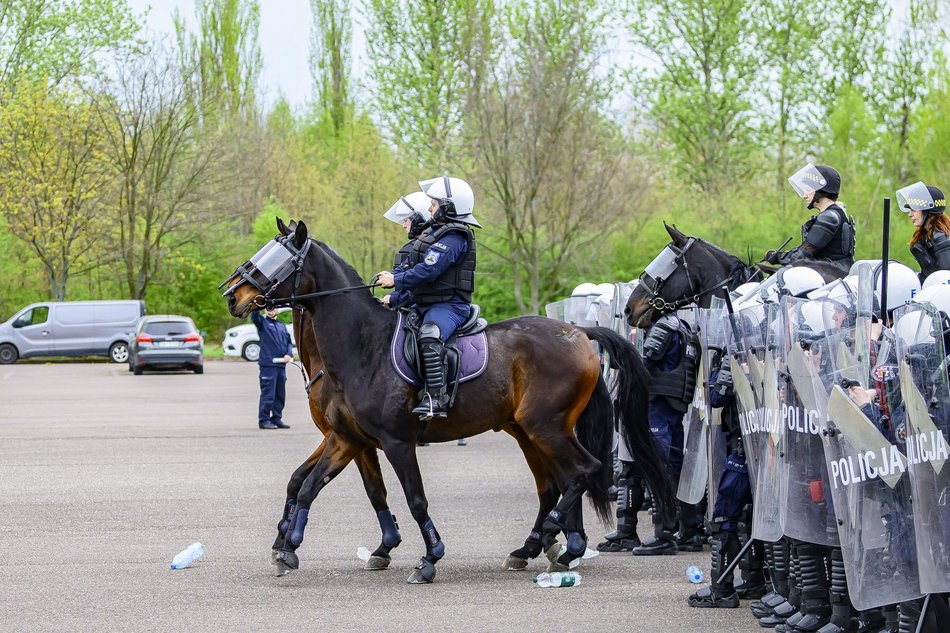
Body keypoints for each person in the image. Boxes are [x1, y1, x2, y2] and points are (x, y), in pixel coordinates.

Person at [377, 176, 479, 420]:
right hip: (427, 303)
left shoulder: (455, 237)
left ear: (449, 206)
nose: (430, 207)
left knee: (429, 334)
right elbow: (412, 267)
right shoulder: (436, 235)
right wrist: (390, 282)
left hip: (449, 306)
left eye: (434, 203)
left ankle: (436, 398)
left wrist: (396, 281)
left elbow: (430, 270)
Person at [631, 311, 701, 556]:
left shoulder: (664, 326)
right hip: (674, 406)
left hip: (658, 404)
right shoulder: (683, 326)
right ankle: (689, 532)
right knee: (676, 467)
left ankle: (664, 535)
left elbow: (645, 362)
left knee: (659, 468)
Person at [767, 163, 855, 274]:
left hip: (830, 276)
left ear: (821, 190)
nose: (804, 195)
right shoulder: (835, 213)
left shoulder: (829, 217)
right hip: (831, 273)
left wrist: (777, 257)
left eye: (808, 189)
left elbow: (802, 255)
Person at [897, 181, 950, 281]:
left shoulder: (941, 237)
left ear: (927, 210)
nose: (910, 214)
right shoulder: (925, 236)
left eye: (913, 209)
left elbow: (946, 279)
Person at [251, 307, 293, 429]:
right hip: (268, 365)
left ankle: (276, 418)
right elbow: (254, 316)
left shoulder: (281, 326)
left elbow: (289, 343)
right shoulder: (262, 323)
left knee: (280, 395)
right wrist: (258, 304)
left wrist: (288, 354)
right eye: (268, 308)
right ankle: (264, 420)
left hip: (281, 366)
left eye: (273, 308)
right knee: (268, 394)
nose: (271, 310)